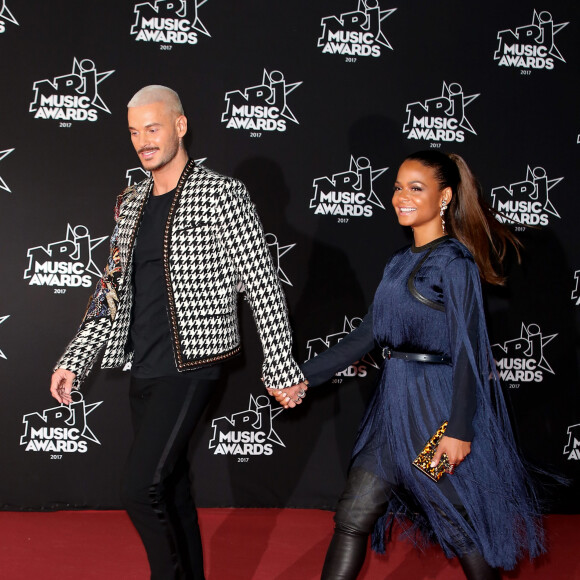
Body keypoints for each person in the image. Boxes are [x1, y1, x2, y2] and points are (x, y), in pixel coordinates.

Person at [49, 85, 304, 579]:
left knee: (139, 487)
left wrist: (279, 364)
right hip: (143, 366)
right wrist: (75, 358)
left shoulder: (222, 193)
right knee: (171, 488)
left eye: (152, 128)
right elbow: (112, 289)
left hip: (194, 366)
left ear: (179, 126)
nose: (143, 141)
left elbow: (261, 283)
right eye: (134, 132)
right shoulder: (130, 200)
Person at [269, 151, 544, 579]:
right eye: (398, 187)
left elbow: (469, 353)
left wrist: (459, 430)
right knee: (353, 514)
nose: (401, 197)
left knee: (458, 525)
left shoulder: (454, 262)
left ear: (445, 197)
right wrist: (300, 375)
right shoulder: (398, 262)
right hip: (393, 412)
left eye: (416, 188)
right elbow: (366, 336)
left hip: (434, 414)